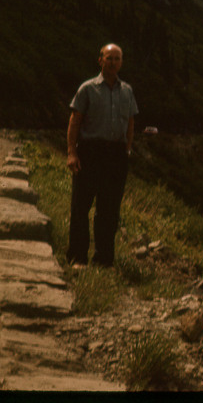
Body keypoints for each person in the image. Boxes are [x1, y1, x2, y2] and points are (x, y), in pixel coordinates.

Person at [66, 43, 138, 269]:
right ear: (100, 60)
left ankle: (104, 260)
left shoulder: (127, 90)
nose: (114, 62)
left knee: (109, 210)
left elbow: (131, 122)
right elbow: (75, 121)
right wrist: (72, 152)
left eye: (118, 58)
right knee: (81, 207)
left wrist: (127, 149)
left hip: (116, 155)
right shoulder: (87, 88)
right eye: (109, 58)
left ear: (122, 62)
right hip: (90, 151)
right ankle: (77, 258)